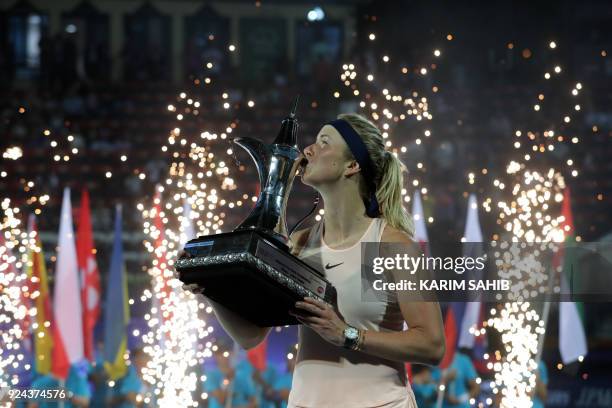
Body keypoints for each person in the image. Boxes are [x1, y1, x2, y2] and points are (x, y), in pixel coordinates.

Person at [200, 113, 445, 407]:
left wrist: (347, 335)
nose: (308, 150)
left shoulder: (391, 245)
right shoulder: (300, 243)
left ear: (352, 165)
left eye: (323, 142)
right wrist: (209, 288)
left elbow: (431, 344)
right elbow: (252, 336)